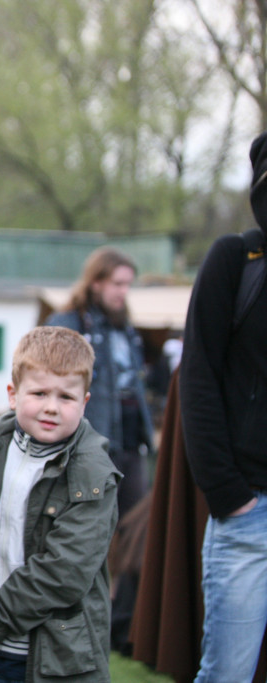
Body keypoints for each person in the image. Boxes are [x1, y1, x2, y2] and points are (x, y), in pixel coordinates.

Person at [0, 326, 121, 682]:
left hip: (60, 659)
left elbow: (64, 571)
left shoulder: (94, 473)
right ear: (13, 394)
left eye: (66, 397)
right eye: (39, 393)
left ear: (84, 402)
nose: (51, 407)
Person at [180, 130, 267, 683]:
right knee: (227, 675)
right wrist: (229, 495)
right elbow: (198, 377)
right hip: (249, 511)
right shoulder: (236, 260)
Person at [44, 246, 154, 652]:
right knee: (86, 531)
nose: (124, 292)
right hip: (90, 445)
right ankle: (71, 615)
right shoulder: (69, 323)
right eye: (117, 283)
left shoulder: (126, 328)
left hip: (130, 443)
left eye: (128, 284)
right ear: (96, 282)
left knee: (132, 529)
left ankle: (117, 616)